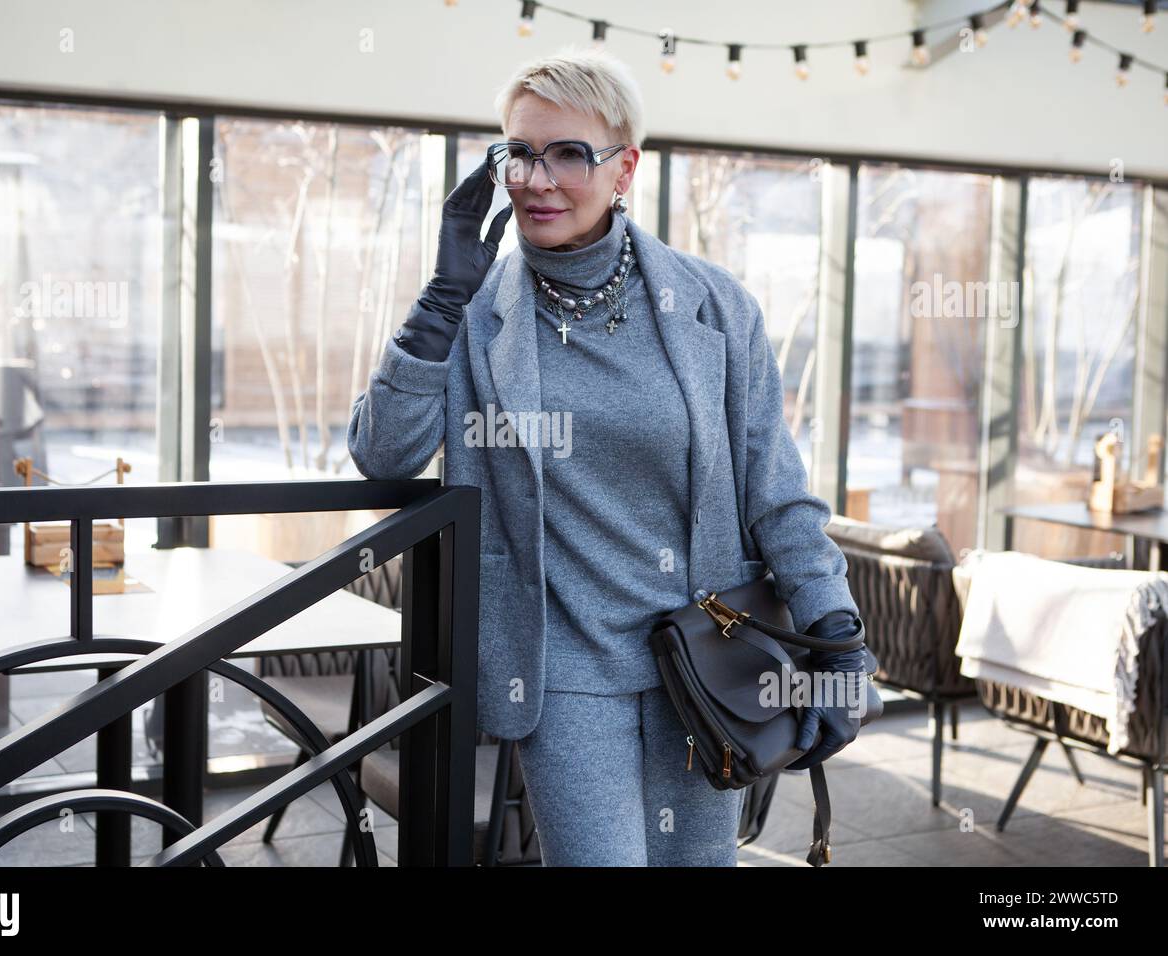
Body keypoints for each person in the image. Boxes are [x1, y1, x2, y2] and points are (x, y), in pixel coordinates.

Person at [347, 46, 865, 866]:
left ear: (624, 168)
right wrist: (441, 301)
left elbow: (777, 492)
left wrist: (838, 635)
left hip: (707, 658)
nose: (537, 179)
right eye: (519, 151)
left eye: (568, 153)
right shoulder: (477, 315)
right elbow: (383, 455)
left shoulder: (715, 307)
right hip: (562, 672)